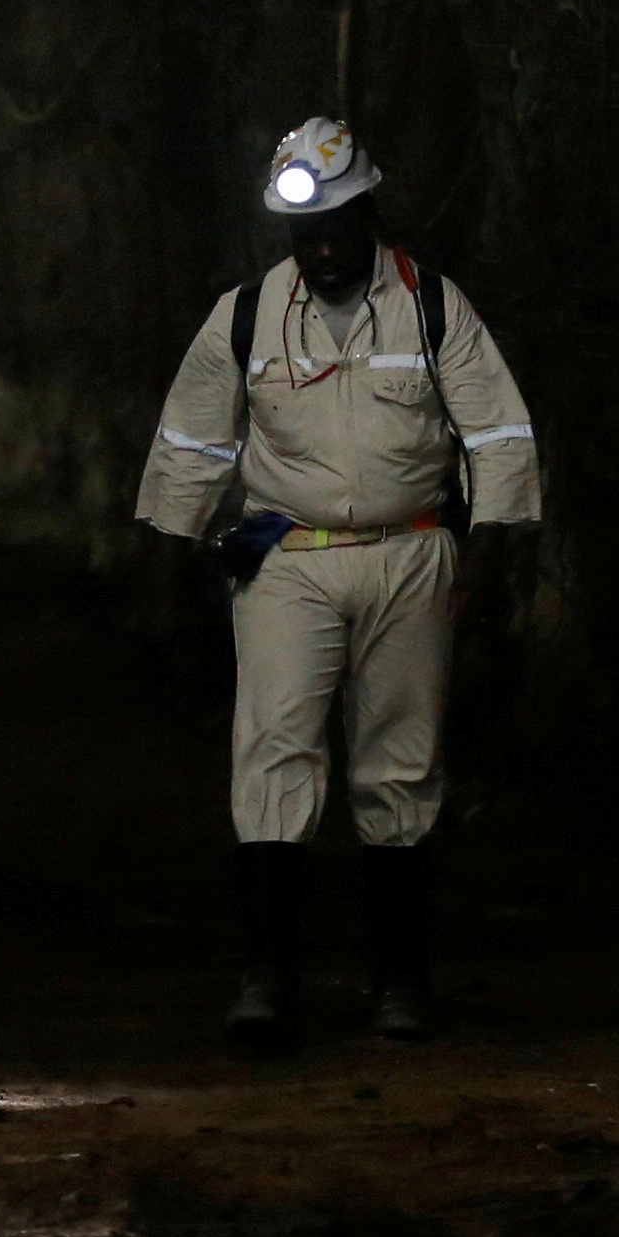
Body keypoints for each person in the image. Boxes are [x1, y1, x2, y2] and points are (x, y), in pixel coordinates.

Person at [132, 116, 542, 1048]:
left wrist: (487, 564)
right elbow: (189, 450)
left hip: (411, 551)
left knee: (400, 762)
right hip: (285, 554)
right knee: (275, 751)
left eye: (335, 227)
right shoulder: (244, 316)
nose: (320, 248)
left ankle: (401, 984)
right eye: (302, 232)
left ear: (369, 210)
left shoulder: (432, 306)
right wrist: (161, 576)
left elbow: (500, 438)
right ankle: (267, 981)